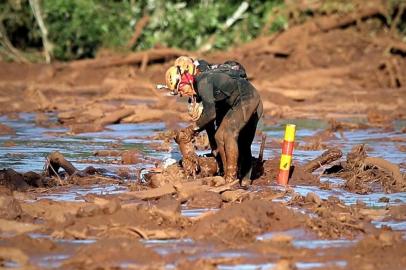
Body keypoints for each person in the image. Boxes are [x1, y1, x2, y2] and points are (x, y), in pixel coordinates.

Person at [165, 61, 263, 183]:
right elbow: (209, 121)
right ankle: (228, 174)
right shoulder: (199, 88)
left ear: (187, 80)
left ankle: (231, 178)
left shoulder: (202, 83)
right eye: (177, 92)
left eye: (180, 88)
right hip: (238, 102)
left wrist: (192, 130)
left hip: (248, 98)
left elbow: (210, 114)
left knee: (229, 134)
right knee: (219, 136)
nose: (181, 93)